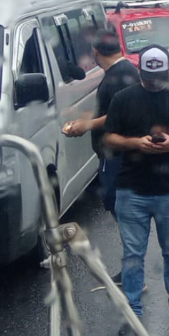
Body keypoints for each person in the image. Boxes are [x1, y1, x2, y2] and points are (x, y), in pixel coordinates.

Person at [103, 45, 169, 336]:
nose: (154, 83)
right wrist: (135, 143)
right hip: (131, 189)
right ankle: (132, 313)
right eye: (149, 79)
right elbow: (109, 137)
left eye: (159, 78)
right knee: (133, 254)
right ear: (139, 72)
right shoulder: (123, 99)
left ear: (168, 71)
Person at [62, 30, 140, 216]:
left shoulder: (120, 74)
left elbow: (121, 114)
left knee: (120, 208)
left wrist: (87, 125)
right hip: (115, 154)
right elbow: (110, 109)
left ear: (95, 51)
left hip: (117, 154)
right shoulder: (119, 71)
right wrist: (83, 119)